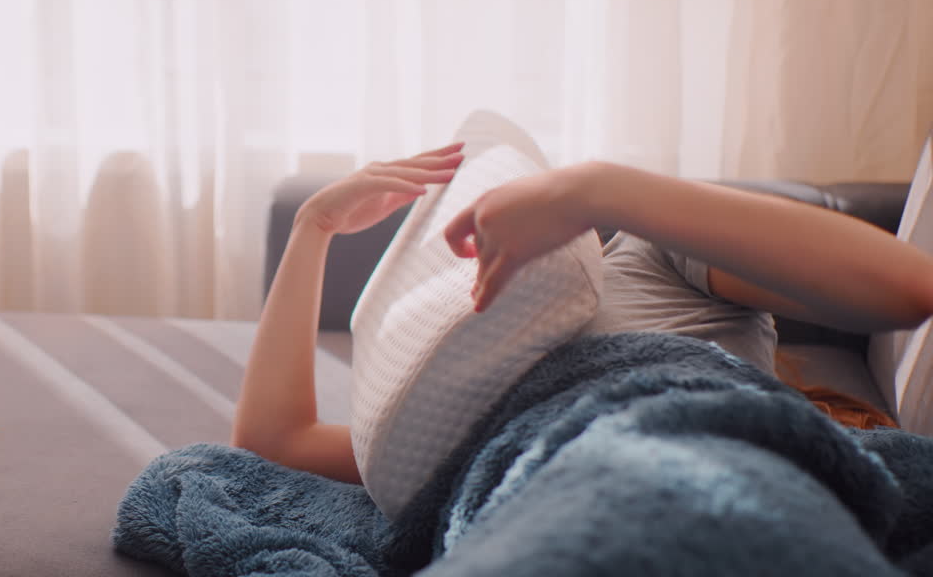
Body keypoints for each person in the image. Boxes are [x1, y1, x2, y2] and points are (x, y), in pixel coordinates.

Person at [231, 142, 933, 484]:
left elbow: (911, 288)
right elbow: (276, 441)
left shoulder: (653, 253)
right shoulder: (460, 372)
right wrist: (312, 230)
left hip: (701, 468)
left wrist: (599, 191)